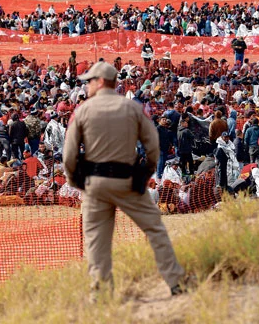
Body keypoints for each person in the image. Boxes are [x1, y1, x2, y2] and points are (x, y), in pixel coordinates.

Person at [63, 61, 187, 301]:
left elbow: (68, 155)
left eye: (89, 81)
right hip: (127, 179)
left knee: (97, 241)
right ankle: (176, 282)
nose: (87, 86)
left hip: (95, 183)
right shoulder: (132, 108)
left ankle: (100, 295)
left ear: (100, 82)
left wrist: (76, 182)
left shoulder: (82, 111)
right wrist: (145, 174)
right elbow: (153, 146)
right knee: (155, 229)